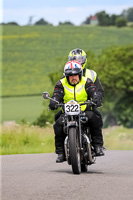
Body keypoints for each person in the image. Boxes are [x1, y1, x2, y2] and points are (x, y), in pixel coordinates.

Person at [49, 60, 104, 163]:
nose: (73, 77)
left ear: (80, 74)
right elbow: (57, 94)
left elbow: (94, 91)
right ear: (66, 76)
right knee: (58, 124)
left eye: (76, 75)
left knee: (94, 119)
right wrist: (53, 102)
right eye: (70, 75)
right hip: (67, 112)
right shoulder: (61, 83)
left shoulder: (86, 81)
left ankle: (98, 146)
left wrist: (96, 98)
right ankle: (60, 152)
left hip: (84, 110)